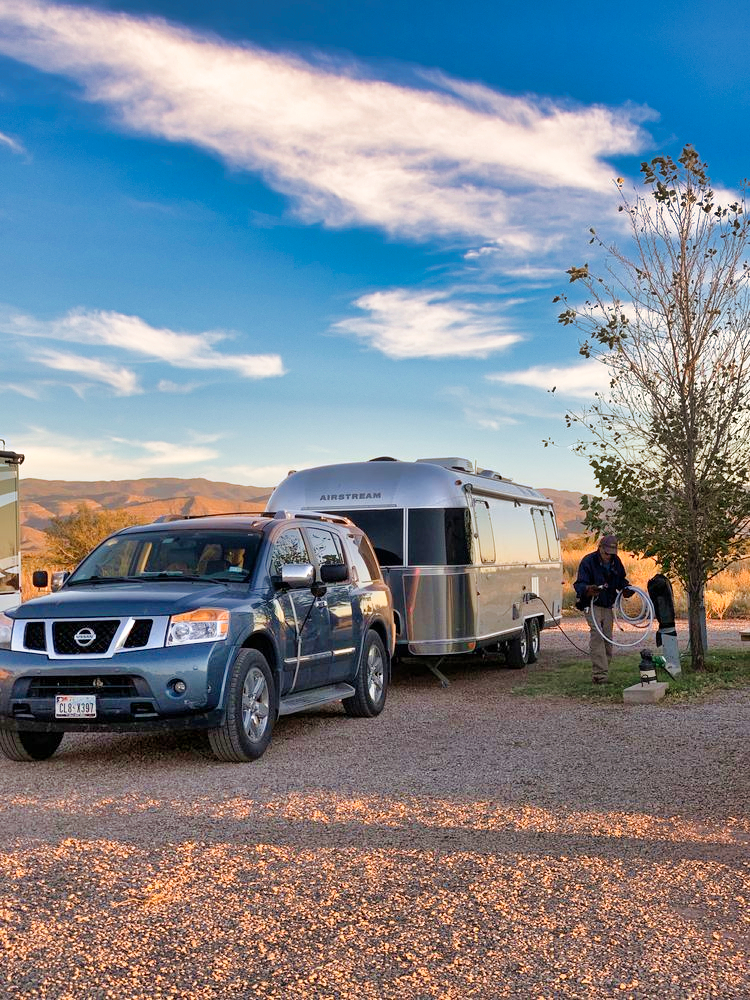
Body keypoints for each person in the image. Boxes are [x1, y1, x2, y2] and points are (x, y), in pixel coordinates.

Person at [573, 534, 633, 684]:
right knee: (597, 634)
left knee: (607, 637)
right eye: (606, 553)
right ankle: (600, 675)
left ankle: (604, 669)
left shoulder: (616, 561)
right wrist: (588, 589)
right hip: (591, 604)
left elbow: (620, 580)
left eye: (611, 554)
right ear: (599, 548)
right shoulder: (588, 561)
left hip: (607, 603)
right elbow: (579, 584)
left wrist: (626, 588)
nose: (609, 556)